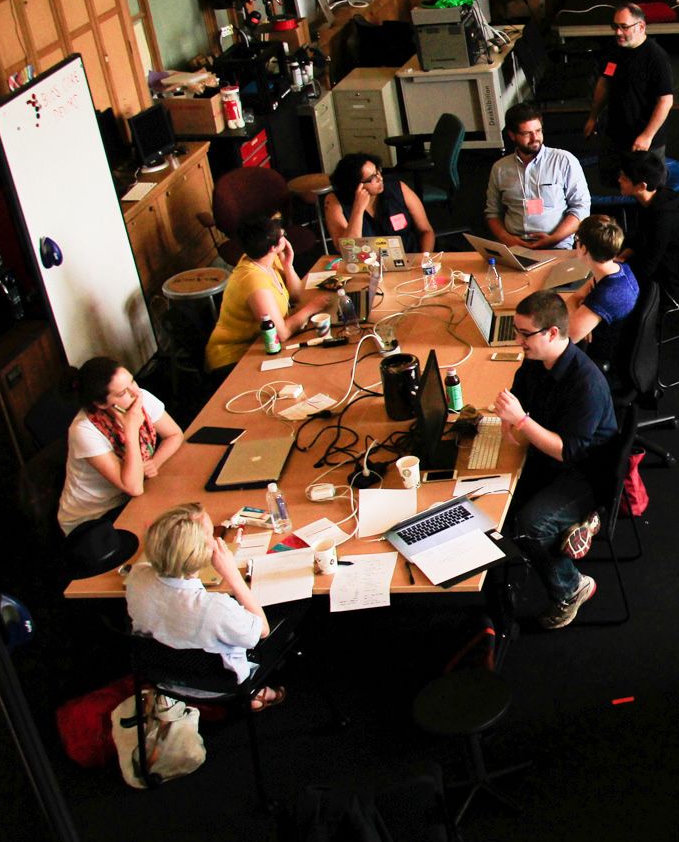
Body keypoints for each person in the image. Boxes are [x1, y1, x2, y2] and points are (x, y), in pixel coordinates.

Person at [492, 290, 618, 631]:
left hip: (585, 474)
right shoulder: (536, 361)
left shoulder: (585, 383)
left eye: (524, 334)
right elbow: (520, 397)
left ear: (551, 333)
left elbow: (567, 451)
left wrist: (520, 421)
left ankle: (572, 588)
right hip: (548, 459)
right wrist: (508, 414)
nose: (518, 341)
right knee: (490, 506)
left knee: (528, 527)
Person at [126, 503, 287, 709]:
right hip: (219, 684)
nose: (217, 540)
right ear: (201, 554)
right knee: (290, 608)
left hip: (162, 675)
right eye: (211, 535)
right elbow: (262, 630)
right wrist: (232, 574)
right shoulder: (214, 608)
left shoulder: (136, 576)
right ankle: (257, 690)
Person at [58, 357, 185, 571]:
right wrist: (131, 429)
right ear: (100, 403)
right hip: (95, 519)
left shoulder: (137, 398)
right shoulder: (83, 430)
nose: (136, 393)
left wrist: (155, 461)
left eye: (132, 382)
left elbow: (174, 434)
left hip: (128, 498)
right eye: (122, 393)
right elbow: (133, 487)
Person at [205, 214, 329, 372]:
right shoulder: (254, 281)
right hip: (233, 359)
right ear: (274, 247)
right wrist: (313, 307)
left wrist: (288, 265)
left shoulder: (264, 258)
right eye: (283, 236)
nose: (285, 237)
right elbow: (281, 333)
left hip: (261, 344)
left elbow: (296, 295)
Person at [485, 103, 590, 252]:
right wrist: (507, 239)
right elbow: (493, 213)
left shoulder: (564, 161)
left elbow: (581, 208)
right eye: (527, 133)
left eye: (538, 131)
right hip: (514, 246)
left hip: (556, 245)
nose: (535, 138)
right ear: (512, 135)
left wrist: (554, 238)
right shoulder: (500, 168)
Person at [584, 3, 676, 171]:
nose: (618, 33)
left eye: (624, 27)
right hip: (615, 133)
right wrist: (593, 116)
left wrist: (647, 136)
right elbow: (604, 83)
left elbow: (665, 101)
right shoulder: (615, 51)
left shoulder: (656, 58)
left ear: (641, 26)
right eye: (615, 26)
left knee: (647, 188)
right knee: (613, 182)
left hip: (645, 139)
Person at [615, 149, 679, 300]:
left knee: (615, 297)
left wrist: (616, 275)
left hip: (677, 284)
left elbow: (648, 265)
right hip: (663, 269)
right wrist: (620, 258)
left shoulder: (663, 218)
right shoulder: (650, 201)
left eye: (625, 177)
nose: (619, 180)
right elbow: (640, 239)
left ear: (642, 186)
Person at [323, 152, 435, 252]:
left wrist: (424, 259)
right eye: (372, 178)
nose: (380, 178)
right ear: (355, 185)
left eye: (378, 171)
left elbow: (426, 231)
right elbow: (348, 250)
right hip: (367, 265)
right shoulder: (335, 201)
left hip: (411, 257)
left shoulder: (397, 188)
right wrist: (358, 209)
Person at [563, 213, 640, 360]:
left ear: (584, 249)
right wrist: (581, 318)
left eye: (576, 240)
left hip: (597, 354)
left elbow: (566, 338)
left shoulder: (607, 294)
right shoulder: (618, 268)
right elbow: (576, 297)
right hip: (604, 341)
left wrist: (579, 318)